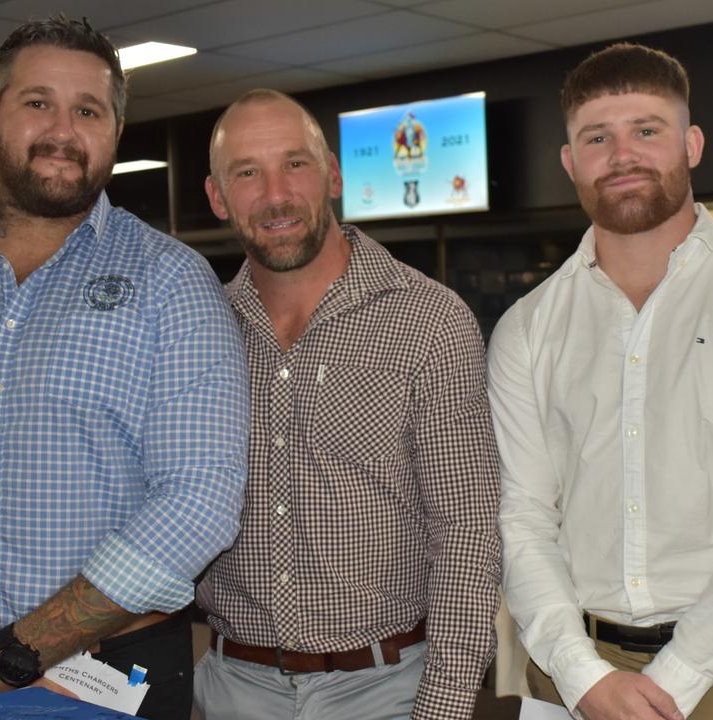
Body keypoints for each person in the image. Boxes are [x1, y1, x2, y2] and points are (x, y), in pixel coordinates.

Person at [0, 16, 249, 720]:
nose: (63, 130)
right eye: (38, 102)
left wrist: (14, 652)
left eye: (88, 110)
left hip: (112, 676)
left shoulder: (170, 280)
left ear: (115, 132)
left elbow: (199, 499)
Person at [488, 43, 713, 720]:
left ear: (693, 143)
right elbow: (521, 519)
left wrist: (673, 679)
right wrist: (581, 675)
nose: (622, 155)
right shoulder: (526, 329)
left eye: (647, 130)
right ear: (569, 162)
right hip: (572, 672)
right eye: (598, 137)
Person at [193, 89, 501, 720]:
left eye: (295, 164)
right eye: (246, 173)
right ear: (217, 197)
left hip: (389, 689)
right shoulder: (197, 328)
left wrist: (441, 709)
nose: (275, 194)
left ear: (333, 173)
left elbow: (468, 533)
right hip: (230, 689)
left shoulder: (429, 320)